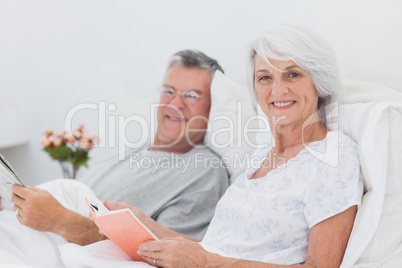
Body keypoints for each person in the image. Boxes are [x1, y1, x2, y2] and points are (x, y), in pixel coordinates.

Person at [102, 24, 364, 267]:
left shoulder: (334, 155)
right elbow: (216, 251)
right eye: (265, 78)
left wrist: (206, 262)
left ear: (319, 82)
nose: (278, 90)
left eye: (292, 74)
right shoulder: (263, 156)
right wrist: (144, 223)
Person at [10, 49, 229, 245]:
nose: (175, 103)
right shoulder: (134, 152)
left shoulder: (204, 171)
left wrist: (60, 222)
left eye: (191, 95)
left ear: (212, 107)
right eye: (169, 91)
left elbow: (165, 257)